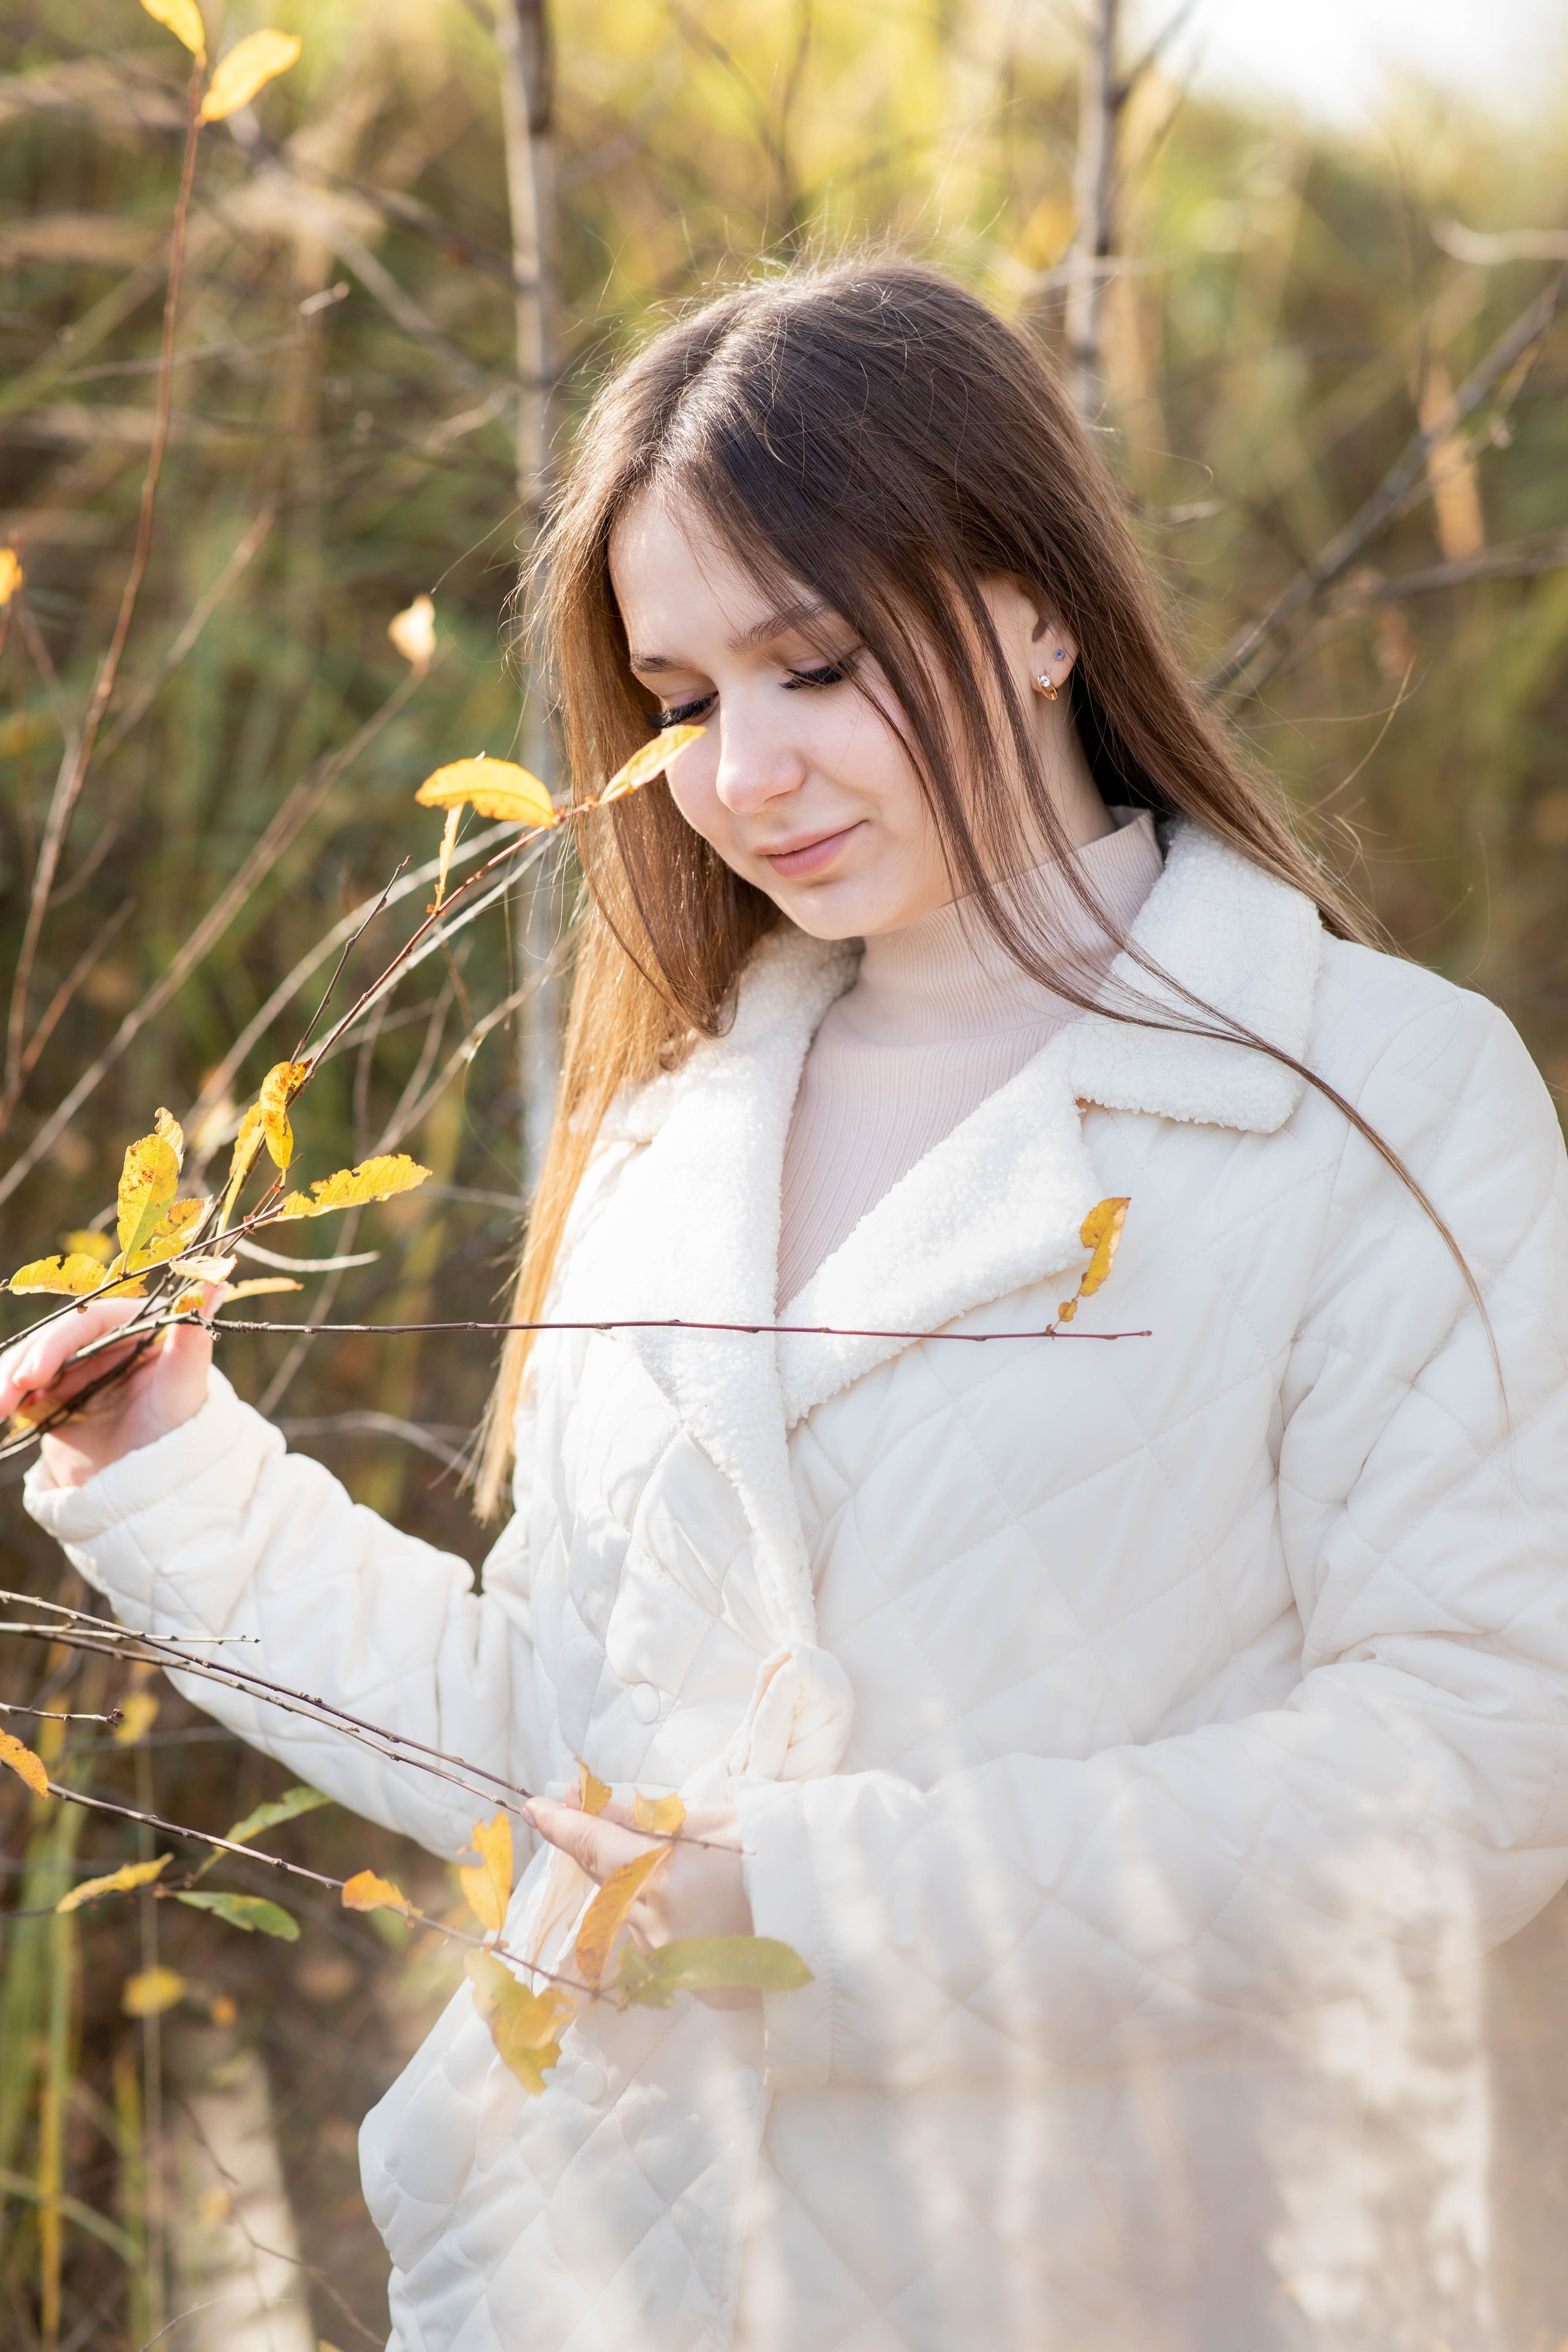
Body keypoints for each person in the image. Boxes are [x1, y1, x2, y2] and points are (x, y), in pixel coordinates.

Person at [5, 256, 1567, 2352]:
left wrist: (821, 1910)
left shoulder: (1373, 1094)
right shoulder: (674, 1137)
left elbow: (1470, 1763)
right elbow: (568, 1751)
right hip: (608, 2276)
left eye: (814, 666)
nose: (742, 773)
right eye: (679, 702)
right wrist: (176, 1481)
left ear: (1041, 610)